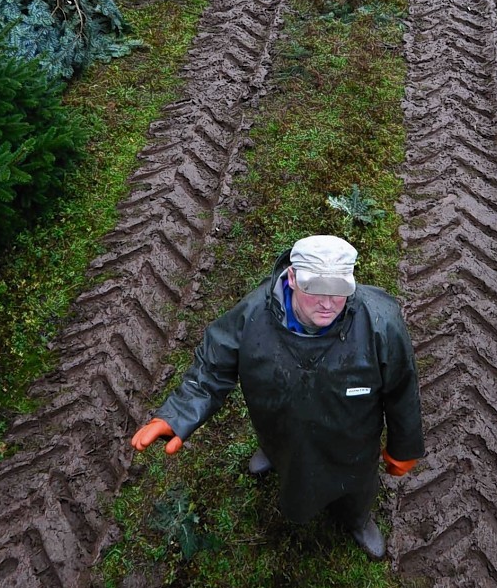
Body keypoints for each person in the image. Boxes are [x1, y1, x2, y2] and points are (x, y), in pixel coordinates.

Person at [130, 234, 425, 558]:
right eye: (315, 290)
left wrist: (404, 446)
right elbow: (212, 367)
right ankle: (274, 456)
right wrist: (179, 413)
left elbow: (402, 389)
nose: (327, 304)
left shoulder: (381, 323)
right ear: (293, 278)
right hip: (279, 428)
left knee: (356, 487)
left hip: (352, 443)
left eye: (339, 291)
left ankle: (357, 520)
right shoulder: (252, 316)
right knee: (291, 465)